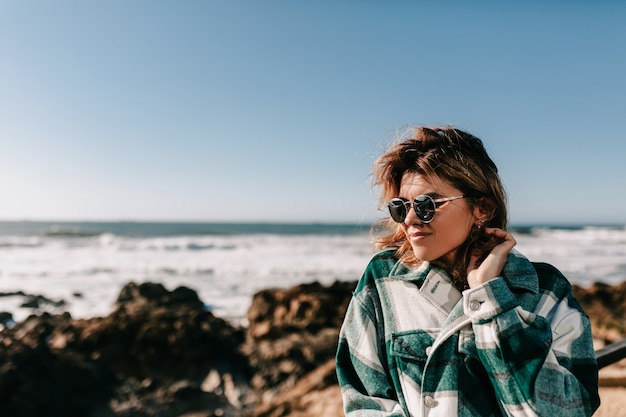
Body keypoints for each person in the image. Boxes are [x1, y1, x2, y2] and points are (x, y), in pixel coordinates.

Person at [335, 126, 600, 416]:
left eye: (427, 205)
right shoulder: (383, 279)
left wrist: (491, 303)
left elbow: (568, 411)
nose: (409, 219)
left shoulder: (545, 289)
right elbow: (365, 401)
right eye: (400, 207)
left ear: (482, 208)